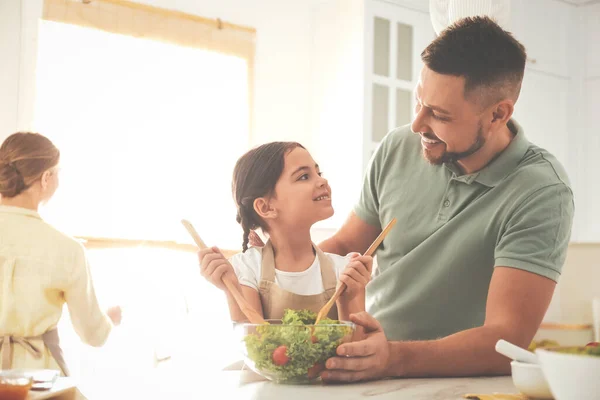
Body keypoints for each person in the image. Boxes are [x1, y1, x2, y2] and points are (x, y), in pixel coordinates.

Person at [316, 16, 574, 382]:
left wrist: (392, 358)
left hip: (456, 384)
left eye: (438, 114)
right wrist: (273, 275)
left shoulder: (542, 191)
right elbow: (344, 245)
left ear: (498, 114)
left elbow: (506, 340)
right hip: (369, 368)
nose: (418, 124)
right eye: (419, 101)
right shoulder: (397, 147)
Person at [198, 141, 373, 322]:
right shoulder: (246, 269)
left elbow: (355, 348)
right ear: (265, 207)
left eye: (318, 173)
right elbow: (254, 342)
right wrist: (231, 289)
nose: (322, 181)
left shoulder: (345, 269)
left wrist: (348, 298)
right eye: (304, 176)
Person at [0, 132, 121, 376]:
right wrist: (110, 320)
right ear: (46, 178)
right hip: (37, 383)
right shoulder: (67, 249)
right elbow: (93, 335)